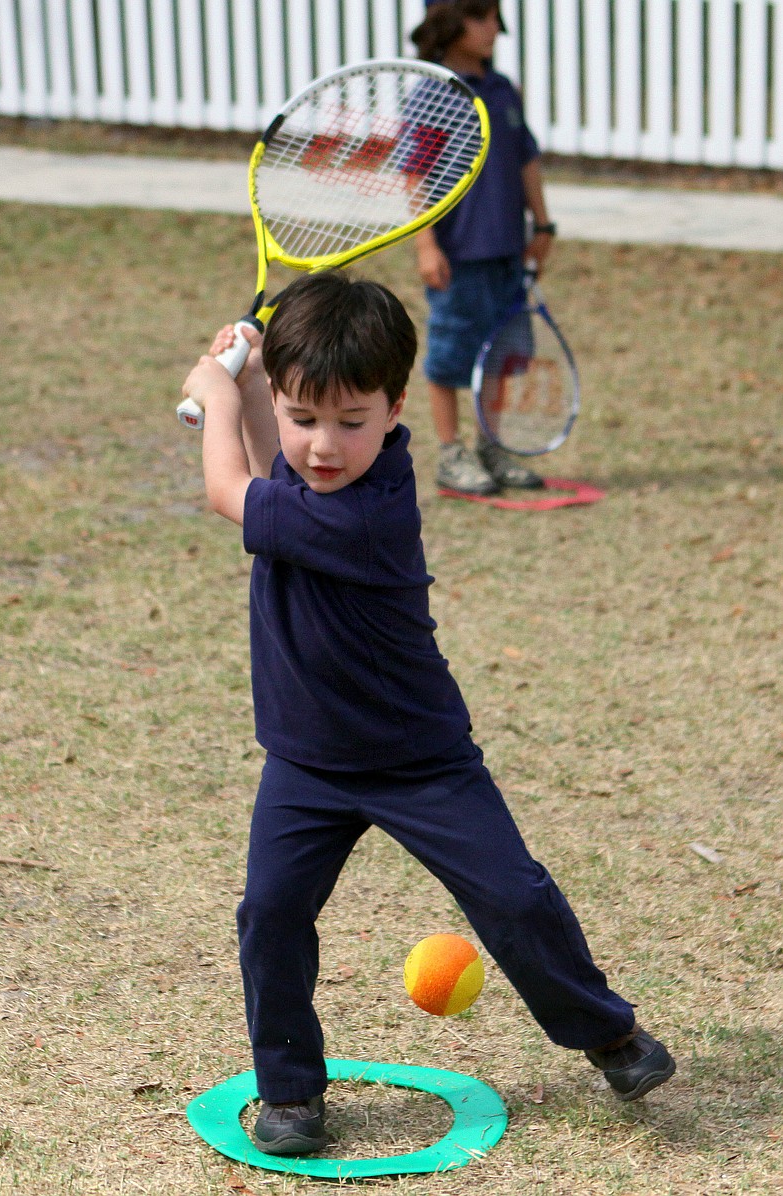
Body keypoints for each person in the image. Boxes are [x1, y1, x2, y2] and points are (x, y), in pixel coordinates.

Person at [181, 272, 675, 1157]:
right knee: (271, 914)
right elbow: (269, 470)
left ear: (396, 407)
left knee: (514, 899)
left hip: (419, 759)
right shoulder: (315, 478)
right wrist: (256, 388)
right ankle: (290, 1089)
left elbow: (232, 490)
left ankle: (610, 1034)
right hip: (307, 763)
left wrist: (221, 395)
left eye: (350, 421)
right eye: (304, 417)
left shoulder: (372, 508)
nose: (323, 445)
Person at [411, 0, 556, 495]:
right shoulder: (433, 93)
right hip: (459, 253)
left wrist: (543, 224)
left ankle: (490, 446)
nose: (493, 28)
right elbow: (413, 174)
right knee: (451, 354)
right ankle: (453, 455)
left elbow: (526, 158)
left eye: (495, 16)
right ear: (449, 24)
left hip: (505, 250)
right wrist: (427, 245)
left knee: (500, 352)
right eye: (481, 16)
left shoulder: (502, 90)